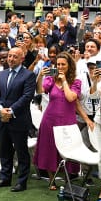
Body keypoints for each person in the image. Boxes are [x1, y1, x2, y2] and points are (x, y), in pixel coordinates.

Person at [34, 50, 82, 189]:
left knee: (68, 149)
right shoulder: (50, 79)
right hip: (49, 119)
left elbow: (71, 98)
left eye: (63, 64)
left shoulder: (76, 82)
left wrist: (64, 81)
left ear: (69, 66)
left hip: (67, 120)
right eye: (58, 64)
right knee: (49, 148)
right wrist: (40, 76)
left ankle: (67, 179)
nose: (60, 67)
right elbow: (40, 91)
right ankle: (51, 179)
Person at [0, 46, 37, 191]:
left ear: (22, 58)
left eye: (15, 57)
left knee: (21, 151)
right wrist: (0, 109)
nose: (11, 59)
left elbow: (27, 96)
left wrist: (11, 111)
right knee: (4, 150)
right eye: (9, 56)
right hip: (2, 118)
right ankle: (5, 178)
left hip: (18, 119)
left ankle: (21, 182)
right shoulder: (2, 74)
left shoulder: (28, 75)